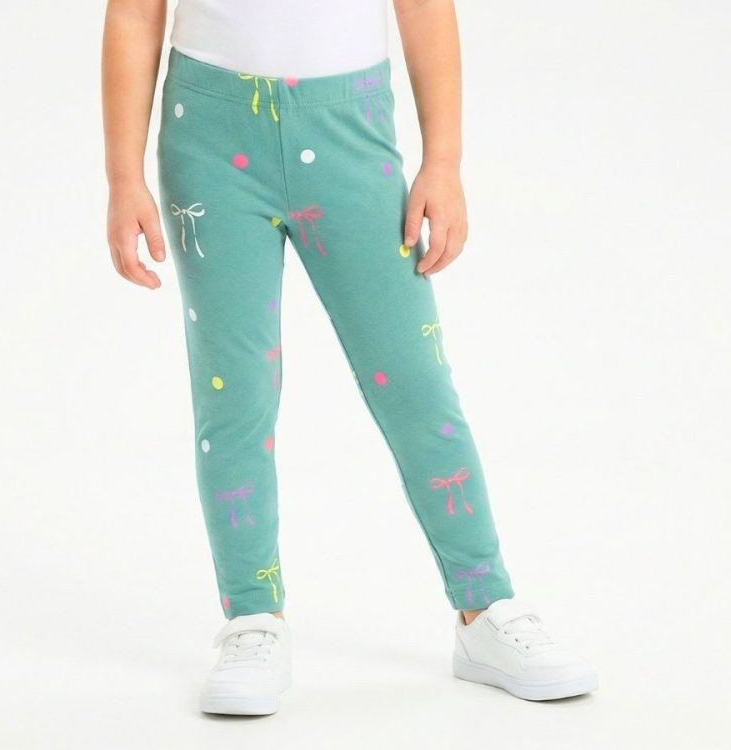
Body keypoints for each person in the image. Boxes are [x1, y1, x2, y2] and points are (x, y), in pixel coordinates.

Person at [101, 0, 598, 715]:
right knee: (235, 393)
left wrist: (444, 161)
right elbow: (134, 13)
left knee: (416, 383)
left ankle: (485, 606)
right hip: (207, 138)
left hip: (349, 129)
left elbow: (424, 7)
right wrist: (123, 177)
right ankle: (252, 616)